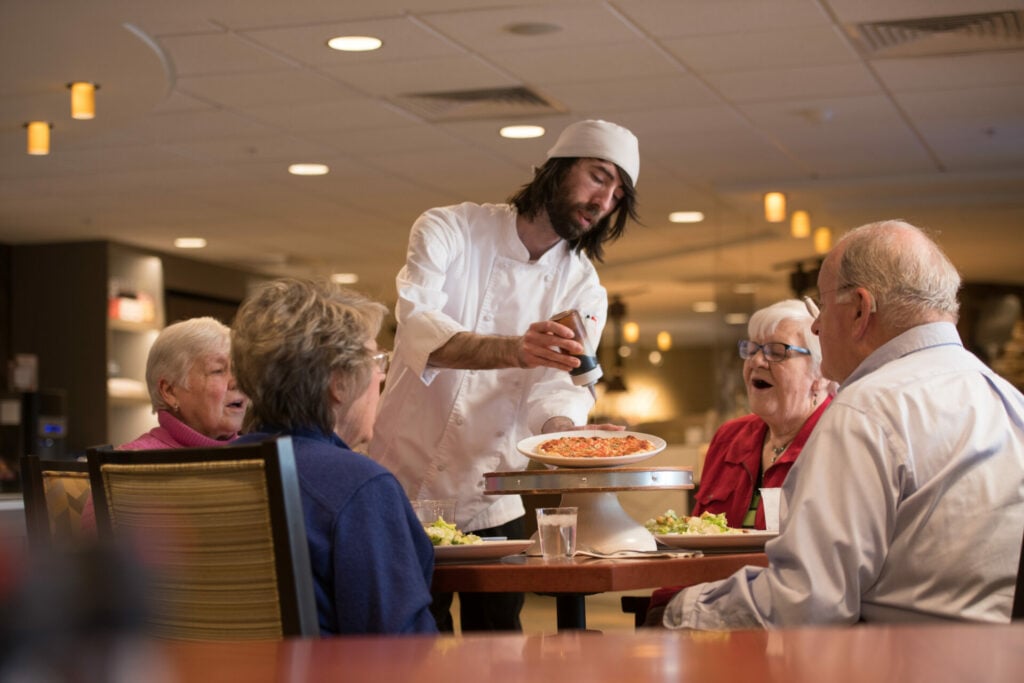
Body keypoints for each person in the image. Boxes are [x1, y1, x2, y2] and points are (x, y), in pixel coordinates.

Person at [661, 219, 1024, 628]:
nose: (817, 326)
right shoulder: (1008, 400)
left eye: (824, 303)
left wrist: (680, 612)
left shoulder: (866, 410)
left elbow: (805, 603)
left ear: (859, 309)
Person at [368, 119, 641, 632]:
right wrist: (515, 350)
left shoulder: (582, 284)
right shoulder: (450, 228)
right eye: (598, 177)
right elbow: (419, 328)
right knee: (405, 646)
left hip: (492, 499)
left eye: (618, 193)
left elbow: (556, 385)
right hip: (401, 487)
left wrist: (569, 436)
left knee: (496, 654)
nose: (604, 200)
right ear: (556, 170)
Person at [230, 277, 437, 636]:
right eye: (375, 359)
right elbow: (401, 648)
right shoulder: (360, 487)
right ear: (338, 383)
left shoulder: (200, 472)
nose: (381, 375)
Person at [644, 299, 835, 624]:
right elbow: (693, 544)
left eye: (777, 351)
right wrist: (666, 603)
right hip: (711, 606)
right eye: (752, 349)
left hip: (793, 613)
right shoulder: (731, 438)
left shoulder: (836, 435)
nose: (757, 361)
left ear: (818, 374)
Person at [121, 316, 248, 449]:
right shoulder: (128, 464)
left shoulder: (260, 455)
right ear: (169, 392)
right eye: (218, 371)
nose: (238, 382)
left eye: (238, 369)